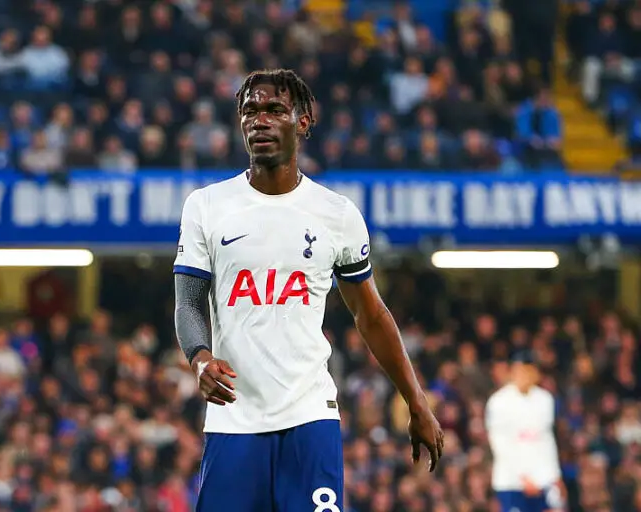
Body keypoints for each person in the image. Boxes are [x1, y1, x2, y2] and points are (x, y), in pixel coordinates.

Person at [172, 69, 443, 512]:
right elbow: (187, 301)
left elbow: (371, 315)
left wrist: (416, 400)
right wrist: (200, 357)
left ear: (302, 121)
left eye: (274, 109)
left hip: (309, 418)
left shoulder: (336, 214)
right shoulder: (206, 205)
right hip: (234, 420)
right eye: (250, 111)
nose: (260, 120)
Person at [486, 351, 565, 512]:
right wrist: (523, 478)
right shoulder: (498, 402)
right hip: (511, 482)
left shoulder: (545, 399)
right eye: (519, 370)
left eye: (528, 370)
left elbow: (547, 439)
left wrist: (556, 475)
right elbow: (500, 446)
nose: (523, 375)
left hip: (542, 479)